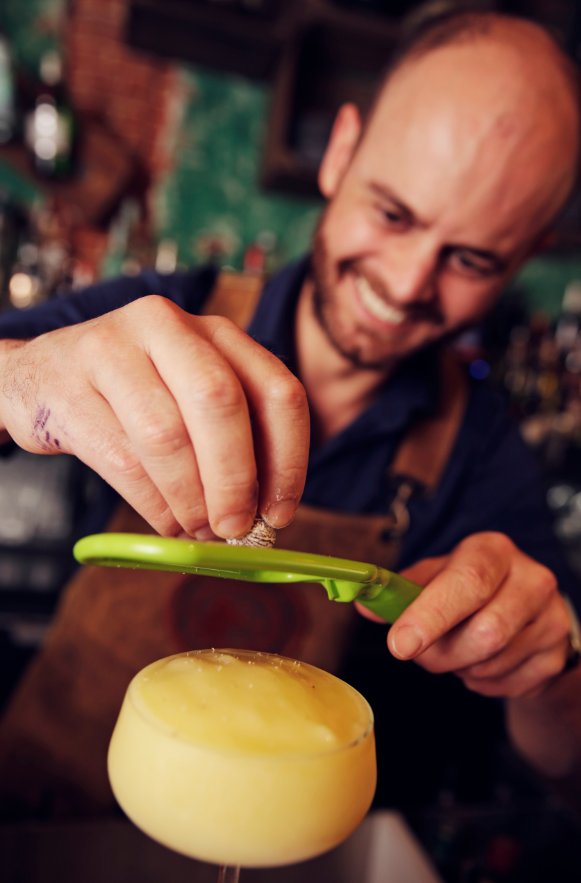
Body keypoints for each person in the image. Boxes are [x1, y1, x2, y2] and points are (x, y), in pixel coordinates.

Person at [1, 8, 581, 820]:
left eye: (472, 258)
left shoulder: (482, 452)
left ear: (524, 256)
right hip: (51, 823)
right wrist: (18, 373)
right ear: (339, 152)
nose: (409, 283)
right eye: (393, 213)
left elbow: (567, 770)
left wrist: (549, 665)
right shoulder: (167, 309)